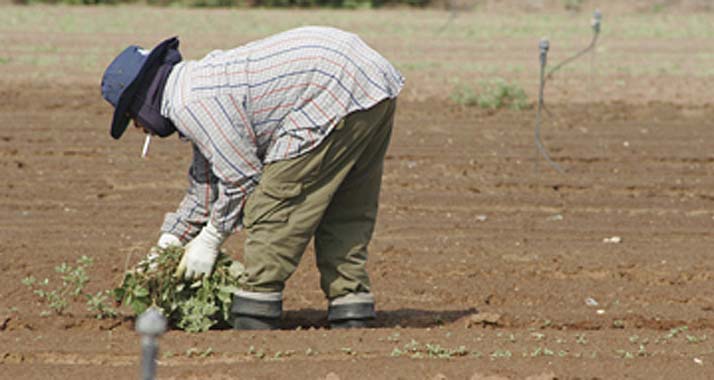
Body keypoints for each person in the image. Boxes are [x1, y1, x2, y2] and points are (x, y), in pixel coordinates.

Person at [101, 26, 404, 330]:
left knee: (272, 204)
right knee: (346, 206)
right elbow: (207, 186)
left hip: (331, 87)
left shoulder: (190, 103)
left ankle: (256, 308)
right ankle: (351, 304)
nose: (139, 129)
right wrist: (168, 244)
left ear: (142, 100)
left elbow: (242, 178)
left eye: (131, 118)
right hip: (372, 84)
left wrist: (211, 238)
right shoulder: (193, 85)